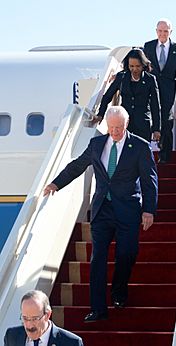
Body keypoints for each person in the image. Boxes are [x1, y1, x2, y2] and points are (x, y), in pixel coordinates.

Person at [43, 106, 158, 322]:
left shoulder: (140, 147)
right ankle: (97, 309)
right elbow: (78, 165)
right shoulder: (97, 144)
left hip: (128, 210)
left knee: (127, 254)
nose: (115, 132)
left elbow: (149, 180)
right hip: (102, 210)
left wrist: (149, 210)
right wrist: (56, 184)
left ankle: (118, 291)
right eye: (112, 127)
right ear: (106, 124)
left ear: (127, 123)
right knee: (98, 259)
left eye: (119, 128)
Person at [144, 18, 176, 162]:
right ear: (156, 31)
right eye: (160, 31)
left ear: (171, 32)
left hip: (169, 91)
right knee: (151, 119)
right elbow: (141, 67)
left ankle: (165, 157)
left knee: (167, 121)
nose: (163, 34)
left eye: (166, 31)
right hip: (151, 89)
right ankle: (148, 153)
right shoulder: (148, 46)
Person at [96, 48, 161, 142]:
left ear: (143, 65)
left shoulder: (150, 80)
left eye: (138, 66)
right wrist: (100, 114)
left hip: (142, 124)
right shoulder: (121, 77)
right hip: (124, 123)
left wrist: (156, 129)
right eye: (131, 66)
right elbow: (107, 96)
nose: (134, 69)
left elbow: (155, 105)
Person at [4, 290, 83, 346]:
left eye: (35, 319)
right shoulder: (11, 336)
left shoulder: (71, 342)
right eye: (25, 318)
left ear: (47, 315)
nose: (29, 325)